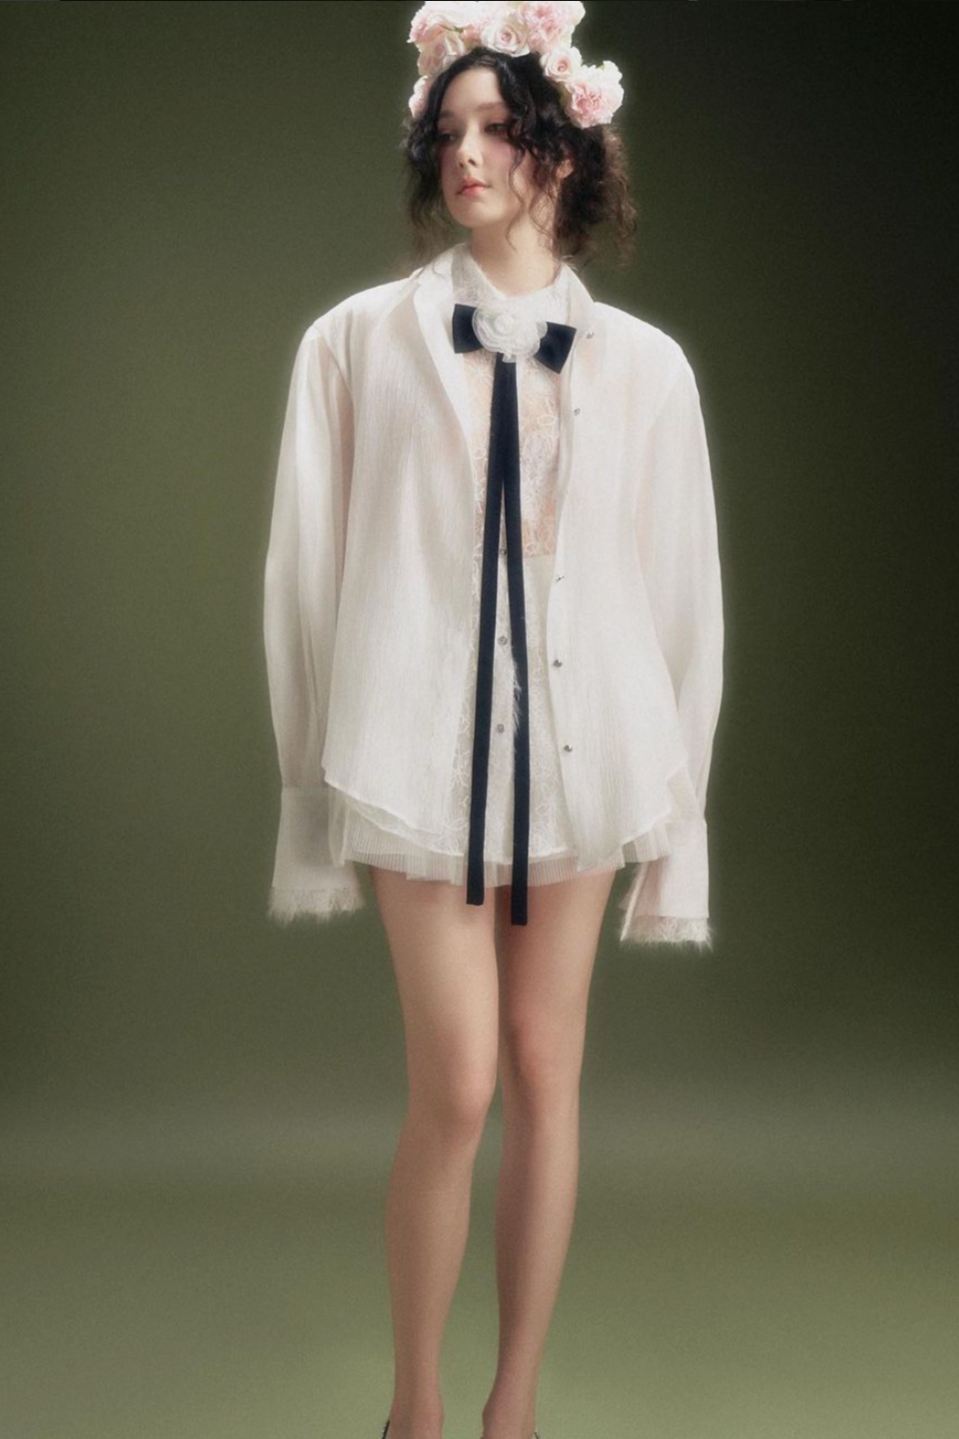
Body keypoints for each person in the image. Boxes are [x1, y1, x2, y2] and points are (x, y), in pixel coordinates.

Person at [262, 6, 725, 1438]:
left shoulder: (647, 369)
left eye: (496, 128)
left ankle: (511, 1404)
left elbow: (679, 593)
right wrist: (305, 791)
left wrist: (682, 809)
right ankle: (413, 1406)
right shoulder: (354, 345)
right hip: (416, 751)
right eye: (446, 132)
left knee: (545, 1069)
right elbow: (306, 574)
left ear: (561, 151)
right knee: (457, 1083)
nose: (464, 153)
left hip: (590, 756)